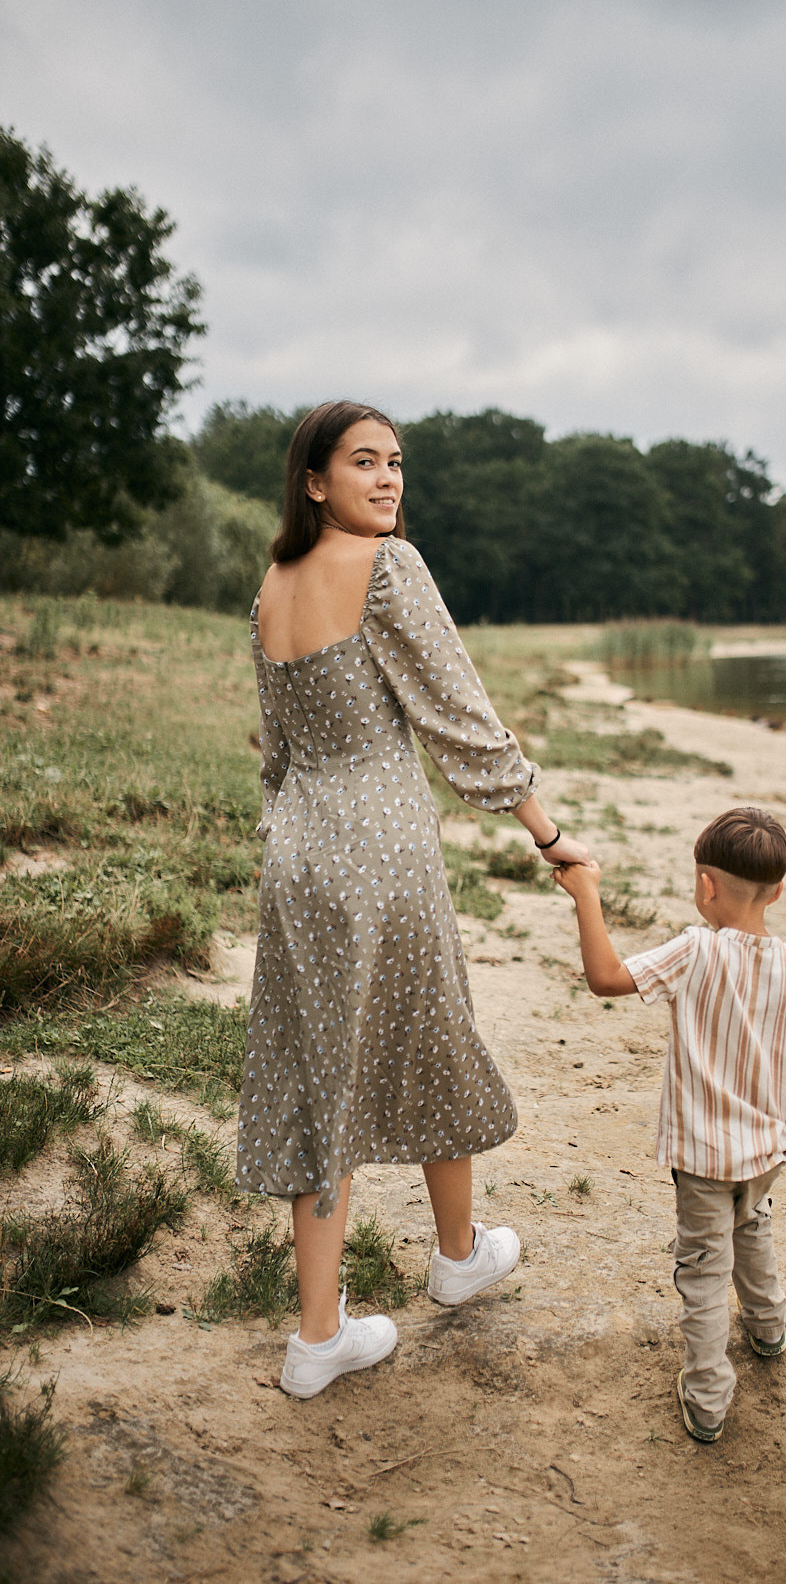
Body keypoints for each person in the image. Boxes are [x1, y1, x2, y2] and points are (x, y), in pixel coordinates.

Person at [240, 400, 589, 1399]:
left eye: (396, 464)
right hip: (381, 850)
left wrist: (286, 840)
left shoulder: (271, 585)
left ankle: (321, 1333)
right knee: (432, 1032)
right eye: (364, 463)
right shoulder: (387, 567)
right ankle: (455, 1255)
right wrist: (550, 836)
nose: (389, 480)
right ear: (314, 481)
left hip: (300, 853)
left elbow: (278, 751)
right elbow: (463, 721)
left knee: (321, 1076)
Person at [554, 806, 786, 1443]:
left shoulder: (695, 951)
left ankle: (709, 1394)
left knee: (701, 1267)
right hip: (767, 1150)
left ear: (703, 886)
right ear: (777, 891)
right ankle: (769, 1327)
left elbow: (605, 978)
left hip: (701, 1156)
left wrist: (587, 894)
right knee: (752, 1225)